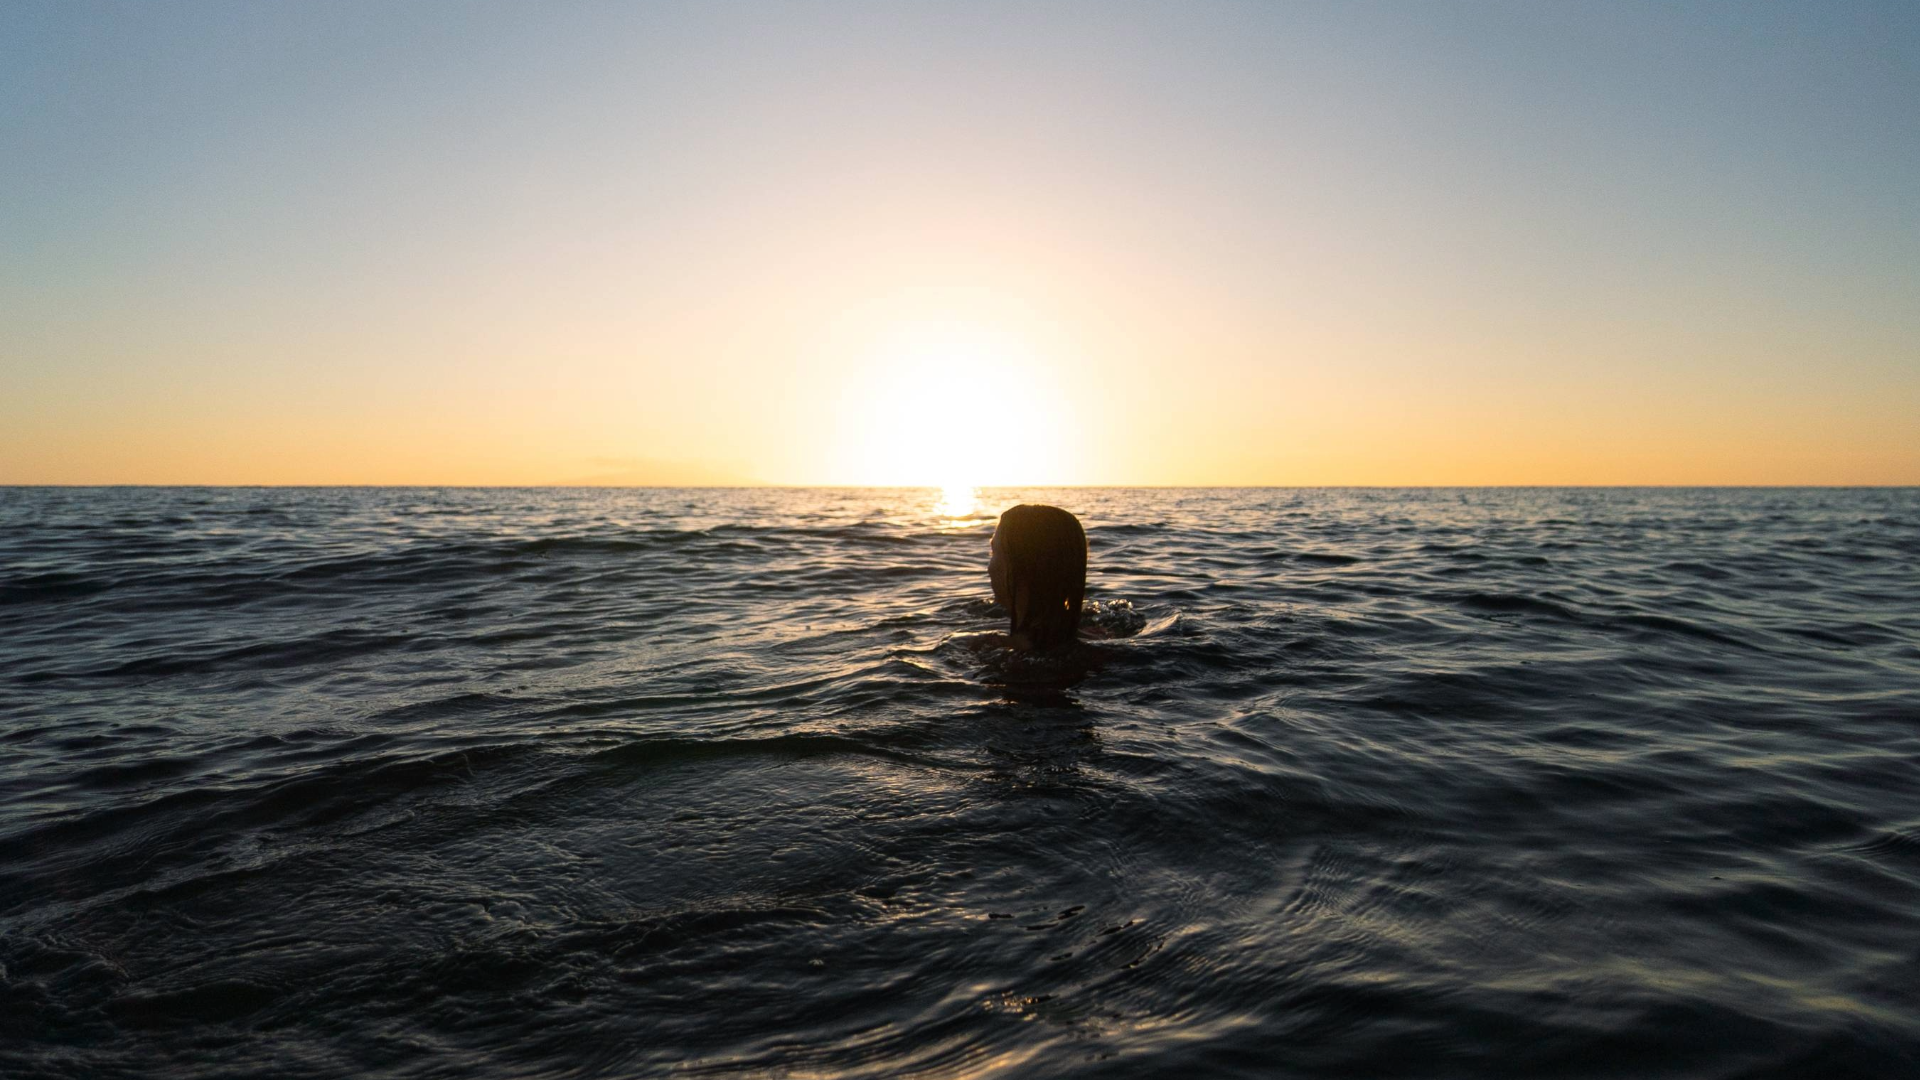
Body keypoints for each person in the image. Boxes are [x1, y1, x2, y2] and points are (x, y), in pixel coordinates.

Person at [987, 504, 1086, 652]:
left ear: (1020, 567)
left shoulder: (990, 646)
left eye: (994, 552)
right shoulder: (1098, 634)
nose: (989, 568)